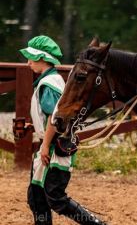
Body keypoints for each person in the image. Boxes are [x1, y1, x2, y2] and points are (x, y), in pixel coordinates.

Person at [20, 35, 106, 225]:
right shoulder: (53, 80)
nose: (27, 63)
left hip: (53, 147)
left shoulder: (49, 84)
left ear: (43, 58)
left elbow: (54, 118)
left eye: (31, 58)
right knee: (37, 196)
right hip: (51, 145)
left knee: (55, 197)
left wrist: (44, 146)